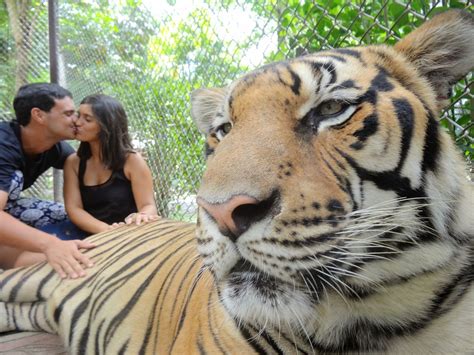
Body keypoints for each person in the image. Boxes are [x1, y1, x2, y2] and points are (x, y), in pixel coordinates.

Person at [0, 83, 95, 279]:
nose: (76, 120)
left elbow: (90, 169)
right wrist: (50, 244)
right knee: (15, 179)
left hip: (7, 207)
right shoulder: (4, 145)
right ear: (39, 115)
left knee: (61, 215)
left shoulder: (54, 147)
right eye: (68, 114)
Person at [63, 94, 158, 235]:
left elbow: (148, 205)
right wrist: (107, 231)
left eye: (87, 119)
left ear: (106, 125)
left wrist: (142, 215)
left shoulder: (132, 161)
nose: (77, 122)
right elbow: (74, 209)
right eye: (78, 115)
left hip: (127, 235)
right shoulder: (73, 162)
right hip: (90, 234)